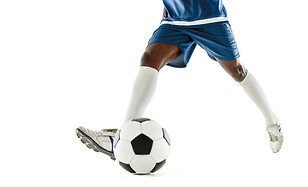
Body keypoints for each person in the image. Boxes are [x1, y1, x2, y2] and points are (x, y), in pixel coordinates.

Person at [75, 0, 284, 160]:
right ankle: (121, 137)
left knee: (236, 70)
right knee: (149, 58)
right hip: (175, 20)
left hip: (210, 18)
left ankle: (272, 123)